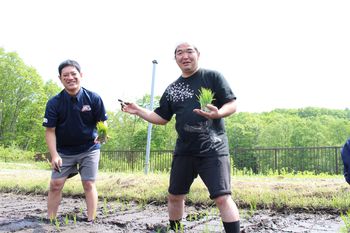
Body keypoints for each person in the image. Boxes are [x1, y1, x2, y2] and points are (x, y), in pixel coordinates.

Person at [122, 42, 240, 232]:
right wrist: (138, 110)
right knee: (175, 196)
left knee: (222, 197)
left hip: (213, 148)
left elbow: (231, 104)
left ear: (198, 54)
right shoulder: (172, 88)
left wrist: (218, 114)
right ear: (175, 58)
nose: (185, 56)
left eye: (189, 52)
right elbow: (161, 118)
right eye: (179, 53)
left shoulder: (212, 77)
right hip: (184, 150)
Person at [42, 59, 108, 222]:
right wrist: (55, 154)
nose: (70, 78)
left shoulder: (93, 98)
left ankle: (91, 220)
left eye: (73, 74)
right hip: (64, 151)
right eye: (66, 75)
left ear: (81, 75)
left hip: (89, 149)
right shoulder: (54, 103)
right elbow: (50, 131)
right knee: (55, 184)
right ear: (60, 78)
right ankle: (51, 220)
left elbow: (102, 122)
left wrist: (102, 133)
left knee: (88, 183)